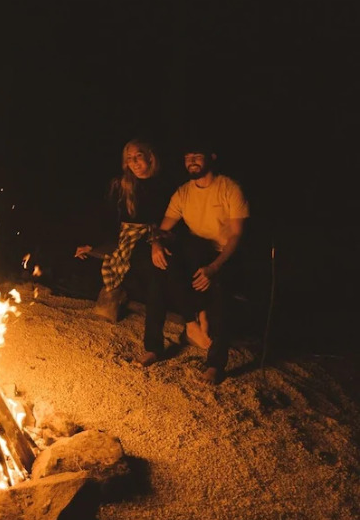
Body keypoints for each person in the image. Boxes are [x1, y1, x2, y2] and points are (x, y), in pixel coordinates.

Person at [152, 142, 250, 385]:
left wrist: (215, 268)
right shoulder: (184, 192)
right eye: (187, 157)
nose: (191, 161)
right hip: (198, 253)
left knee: (221, 292)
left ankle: (215, 365)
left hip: (226, 255)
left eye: (197, 156)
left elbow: (237, 235)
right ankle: (191, 322)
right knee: (168, 263)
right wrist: (155, 244)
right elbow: (162, 229)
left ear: (211, 157)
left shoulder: (229, 188)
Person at [74, 139, 176, 365]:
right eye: (129, 159)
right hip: (130, 238)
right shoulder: (122, 185)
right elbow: (108, 218)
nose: (135, 163)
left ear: (150, 155)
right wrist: (93, 244)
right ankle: (117, 296)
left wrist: (157, 240)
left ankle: (157, 344)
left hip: (159, 237)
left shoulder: (166, 184)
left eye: (138, 156)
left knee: (159, 270)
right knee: (152, 271)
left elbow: (173, 221)